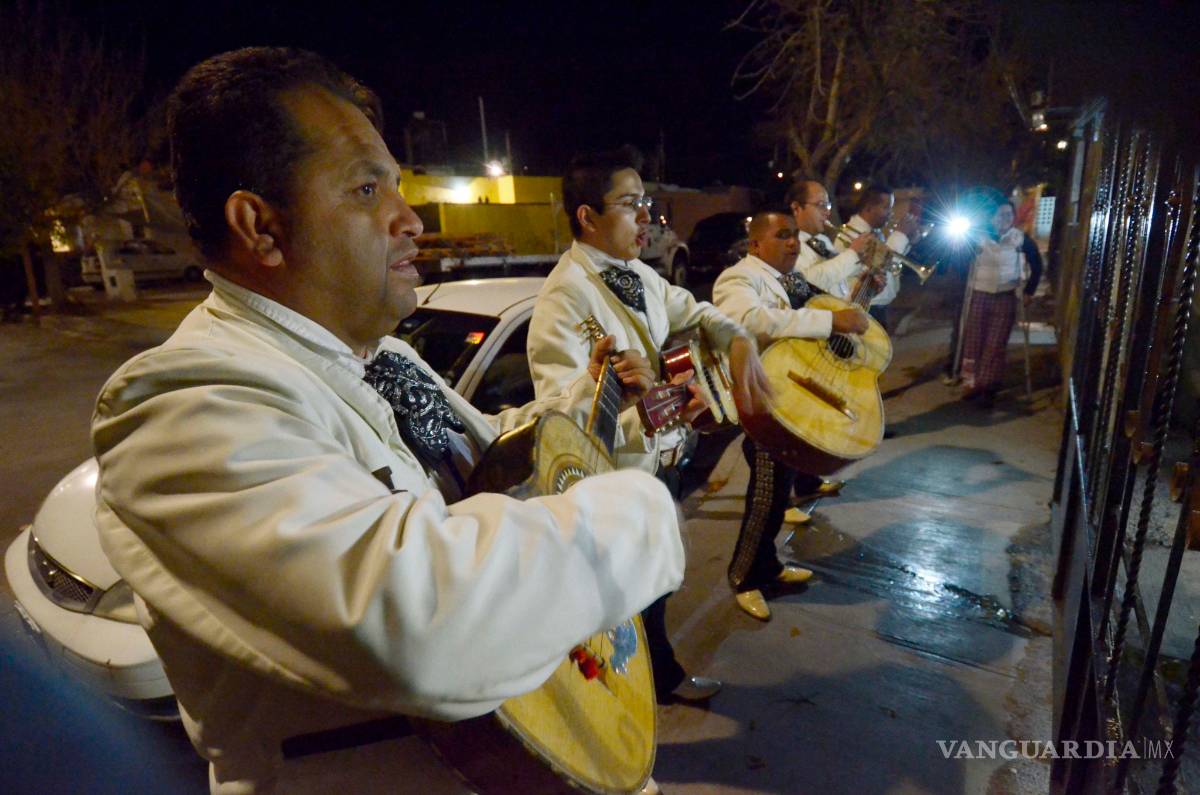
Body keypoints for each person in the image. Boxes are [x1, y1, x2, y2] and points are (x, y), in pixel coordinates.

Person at [91, 47, 687, 793]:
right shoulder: (178, 403)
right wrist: (640, 515)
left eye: (398, 187)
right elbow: (416, 618)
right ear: (261, 226)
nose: (410, 220)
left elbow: (493, 461)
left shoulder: (380, 360)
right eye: (367, 188)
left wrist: (607, 414)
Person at [527, 145, 772, 702]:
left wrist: (735, 341)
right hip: (616, 480)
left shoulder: (637, 272)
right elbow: (564, 423)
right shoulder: (564, 300)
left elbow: (694, 309)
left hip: (661, 460)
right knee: (621, 605)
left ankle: (658, 681)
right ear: (587, 217)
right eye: (630, 204)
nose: (646, 218)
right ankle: (623, 711)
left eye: (647, 203)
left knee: (657, 587)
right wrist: (634, 399)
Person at [712, 209, 869, 620]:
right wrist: (830, 319)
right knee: (766, 498)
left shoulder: (793, 278)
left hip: (793, 401)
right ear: (755, 244)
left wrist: (856, 295)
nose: (792, 243)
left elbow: (823, 304)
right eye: (782, 235)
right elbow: (749, 319)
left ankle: (768, 568)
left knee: (779, 494)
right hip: (766, 404)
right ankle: (744, 578)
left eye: (794, 236)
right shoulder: (739, 278)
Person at [788, 179, 878, 498]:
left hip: (831, 337)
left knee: (817, 416)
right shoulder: (791, 247)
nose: (827, 212)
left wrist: (867, 285)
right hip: (806, 340)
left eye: (828, 204)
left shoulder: (823, 244)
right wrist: (852, 255)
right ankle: (790, 495)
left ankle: (808, 483)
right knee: (798, 420)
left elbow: (837, 292)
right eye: (820, 205)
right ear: (796, 209)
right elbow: (811, 283)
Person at [958, 199, 1043, 407]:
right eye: (999, 215)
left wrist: (1029, 291)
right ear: (991, 217)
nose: (1004, 219)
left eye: (1008, 215)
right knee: (974, 341)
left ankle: (987, 387)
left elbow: (1037, 265)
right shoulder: (978, 237)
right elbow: (959, 261)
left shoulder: (1020, 239)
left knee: (995, 344)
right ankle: (970, 384)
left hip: (1005, 295)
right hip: (979, 293)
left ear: (1013, 217)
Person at [836, 185, 918, 328]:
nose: (890, 213)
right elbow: (881, 265)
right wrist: (900, 234)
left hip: (877, 307)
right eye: (886, 207)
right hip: (866, 307)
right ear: (868, 208)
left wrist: (908, 241)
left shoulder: (874, 232)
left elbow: (892, 265)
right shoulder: (854, 235)